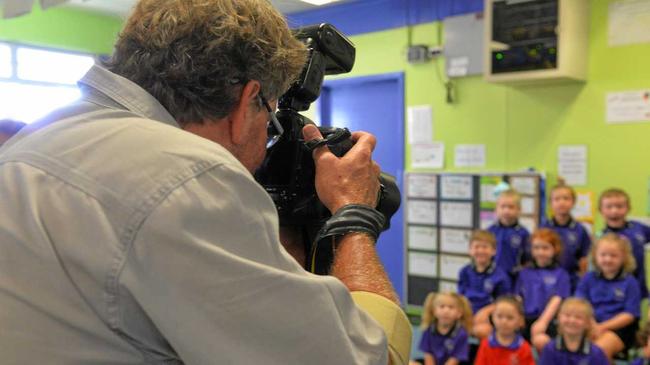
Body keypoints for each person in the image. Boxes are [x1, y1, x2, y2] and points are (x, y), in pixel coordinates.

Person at [0, 1, 411, 364]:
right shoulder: (190, 177)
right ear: (246, 101)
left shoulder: (33, 142)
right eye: (268, 122)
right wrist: (353, 213)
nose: (265, 149)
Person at [575, 233, 640, 359]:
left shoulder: (630, 282)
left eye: (613, 256)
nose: (608, 259)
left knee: (598, 352)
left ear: (624, 258)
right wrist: (592, 325)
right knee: (573, 348)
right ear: (595, 256)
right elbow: (580, 304)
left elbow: (630, 315)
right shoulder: (588, 278)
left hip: (620, 330)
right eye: (603, 255)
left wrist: (602, 327)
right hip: (589, 324)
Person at [516, 228, 570, 346]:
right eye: (536, 248)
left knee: (541, 340)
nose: (540, 252)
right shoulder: (524, 272)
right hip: (524, 319)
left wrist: (542, 322)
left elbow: (557, 300)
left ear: (555, 250)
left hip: (548, 321)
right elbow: (518, 298)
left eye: (545, 248)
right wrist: (517, 318)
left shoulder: (561, 274)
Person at [457, 229, 511, 339]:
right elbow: (460, 297)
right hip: (466, 314)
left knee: (482, 331)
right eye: (477, 247)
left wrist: (485, 312)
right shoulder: (464, 271)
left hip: (488, 316)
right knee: (445, 324)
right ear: (470, 250)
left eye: (485, 247)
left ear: (494, 251)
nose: (480, 251)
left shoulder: (500, 275)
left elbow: (503, 302)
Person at [540, 181, 592, 292]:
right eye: (557, 199)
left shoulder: (580, 230)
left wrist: (583, 279)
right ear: (551, 203)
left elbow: (584, 259)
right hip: (546, 278)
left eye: (566, 198)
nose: (561, 202)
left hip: (571, 280)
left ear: (573, 202)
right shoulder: (543, 229)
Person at [599, 188, 650, 298]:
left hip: (639, 286)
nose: (614, 211)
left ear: (628, 208)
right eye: (609, 207)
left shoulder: (638, 228)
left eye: (619, 206)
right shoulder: (601, 238)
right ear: (601, 210)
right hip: (613, 291)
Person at [537, 297, 609, 365]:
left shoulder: (596, 353)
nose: (572, 320)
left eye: (578, 317)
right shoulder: (550, 349)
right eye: (567, 315)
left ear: (587, 323)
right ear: (559, 318)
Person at [473, 295, 535, 365]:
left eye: (510, 317)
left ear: (520, 321)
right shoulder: (486, 344)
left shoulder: (524, 347)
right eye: (499, 316)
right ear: (492, 317)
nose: (504, 322)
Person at [417, 292, 472, 365]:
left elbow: (454, 359)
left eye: (451, 307)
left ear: (459, 313)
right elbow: (428, 355)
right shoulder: (428, 329)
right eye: (442, 306)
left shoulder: (462, 334)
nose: (446, 311)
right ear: (434, 311)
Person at [488, 189, 530, 280]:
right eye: (502, 207)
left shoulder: (523, 233)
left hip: (514, 279)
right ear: (496, 209)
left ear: (519, 210)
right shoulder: (490, 231)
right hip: (492, 278)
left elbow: (527, 261)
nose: (506, 211)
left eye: (511, 207)